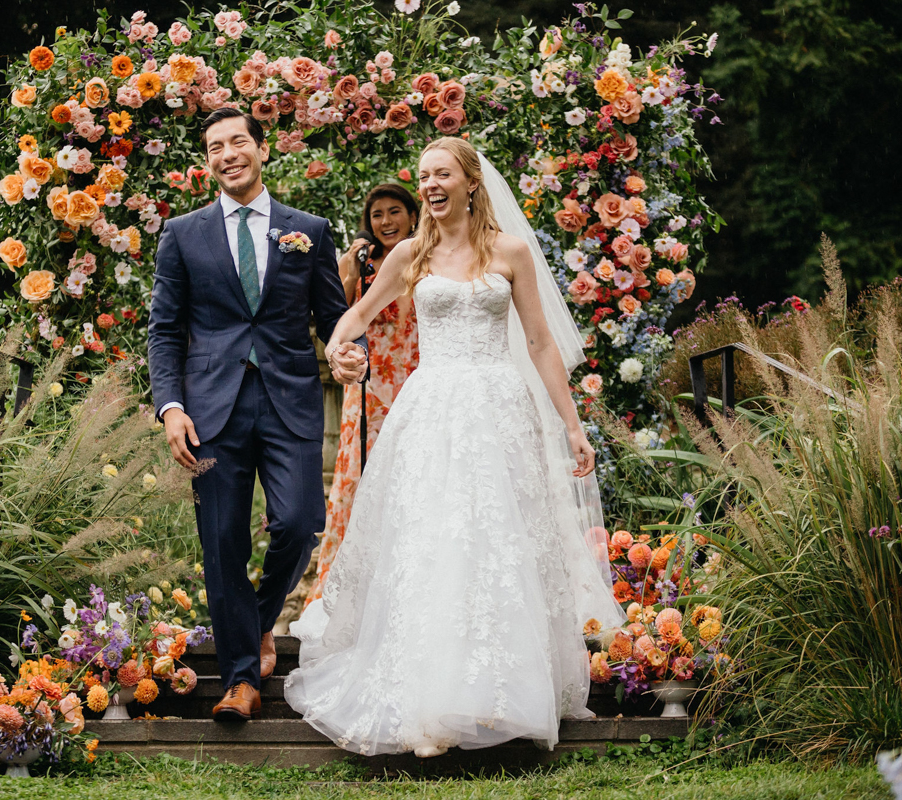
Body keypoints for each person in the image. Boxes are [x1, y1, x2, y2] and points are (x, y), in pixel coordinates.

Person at [284, 138, 625, 757]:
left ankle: (502, 694)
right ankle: (429, 703)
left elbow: (543, 345)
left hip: (500, 411)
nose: (430, 186)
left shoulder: (513, 253)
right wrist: (338, 350)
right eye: (423, 178)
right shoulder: (410, 255)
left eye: (442, 175)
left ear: (471, 182)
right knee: (434, 545)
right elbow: (355, 315)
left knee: (497, 545)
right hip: (432, 411)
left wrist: (572, 425)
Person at [148, 108, 367, 722]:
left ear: (261, 149)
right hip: (209, 410)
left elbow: (335, 318)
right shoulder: (182, 233)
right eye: (214, 146)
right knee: (221, 544)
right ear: (208, 160)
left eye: (237, 141)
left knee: (301, 522)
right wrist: (170, 407)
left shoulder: (309, 230)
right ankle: (241, 682)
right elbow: (164, 331)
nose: (227, 154)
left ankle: (258, 620)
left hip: (288, 400)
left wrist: (350, 355)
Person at [306, 184, 421, 607]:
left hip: (417, 377)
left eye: (395, 212)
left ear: (413, 215)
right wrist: (352, 269)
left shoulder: (430, 256)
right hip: (370, 385)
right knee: (364, 480)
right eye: (378, 215)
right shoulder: (359, 262)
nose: (386, 222)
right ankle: (351, 595)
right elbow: (338, 317)